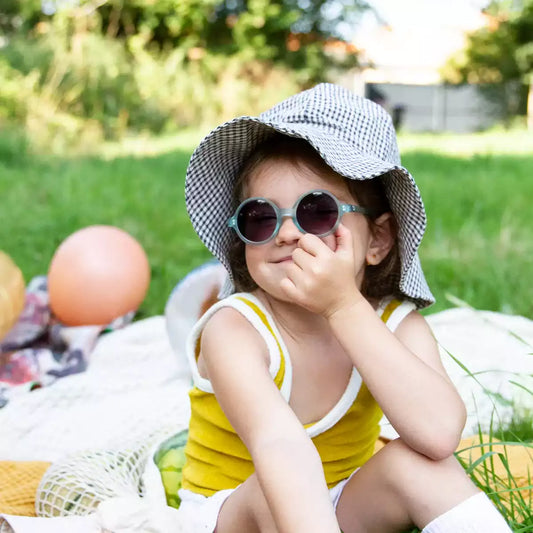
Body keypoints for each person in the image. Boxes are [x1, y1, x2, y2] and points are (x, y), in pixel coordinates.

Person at [178, 83, 512, 533]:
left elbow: (438, 434)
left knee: (421, 465)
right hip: (233, 513)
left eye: (317, 212)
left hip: (337, 507)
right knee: (279, 475)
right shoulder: (235, 328)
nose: (288, 233)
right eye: (261, 217)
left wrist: (344, 308)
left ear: (377, 240)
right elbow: (279, 448)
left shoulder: (394, 324)